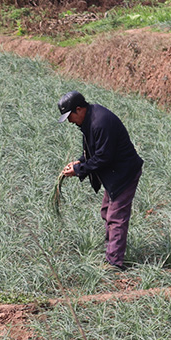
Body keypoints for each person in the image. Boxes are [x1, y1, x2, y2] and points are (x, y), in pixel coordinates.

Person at [58, 91, 143, 271]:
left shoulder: (100, 122)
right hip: (114, 173)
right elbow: (94, 151)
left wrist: (79, 170)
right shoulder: (90, 120)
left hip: (123, 173)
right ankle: (111, 252)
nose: (70, 121)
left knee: (116, 218)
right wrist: (80, 162)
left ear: (79, 109)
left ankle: (114, 263)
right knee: (107, 211)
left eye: (70, 116)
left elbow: (104, 158)